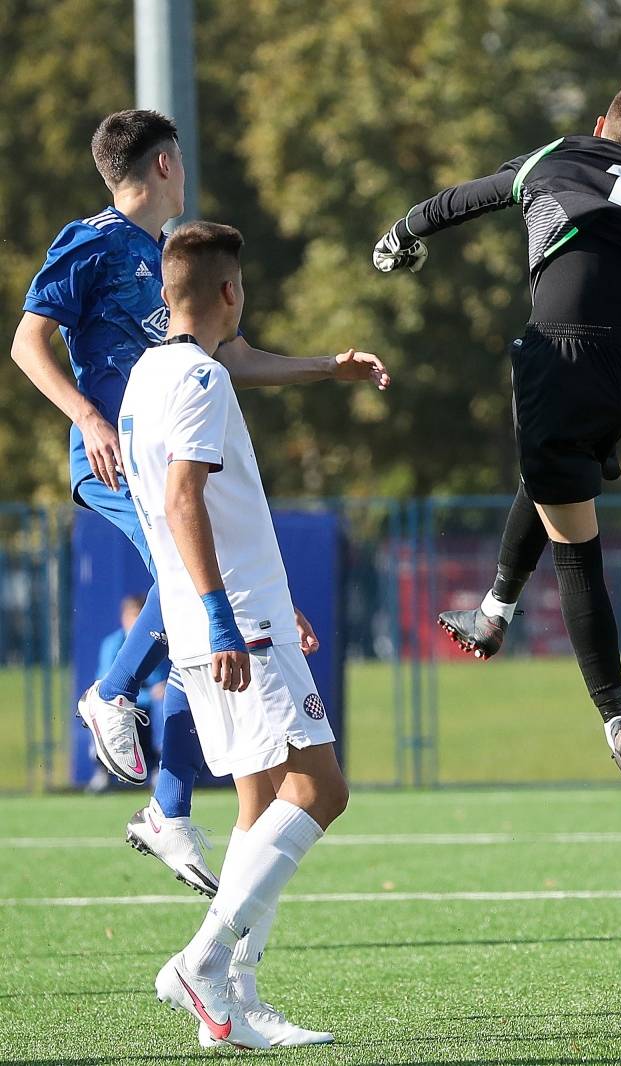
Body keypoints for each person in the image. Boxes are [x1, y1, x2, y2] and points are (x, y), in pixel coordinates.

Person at [10, 109, 388, 894]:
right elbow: (26, 342)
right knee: (188, 597)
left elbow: (235, 355)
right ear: (164, 166)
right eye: (182, 160)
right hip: (116, 459)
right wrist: (88, 418)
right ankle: (111, 695)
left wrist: (328, 368)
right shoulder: (91, 240)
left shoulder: (162, 260)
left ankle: (169, 807)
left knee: (194, 618)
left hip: (153, 455)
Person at [372, 80, 621, 812]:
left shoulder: (557, 154)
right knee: (554, 481)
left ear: (598, 126)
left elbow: (467, 198)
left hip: (555, 352)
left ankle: (615, 720)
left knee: (576, 547)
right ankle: (495, 612)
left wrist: (402, 234)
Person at [121, 221, 344, 1049]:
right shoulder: (205, 380)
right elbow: (183, 502)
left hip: (221, 617)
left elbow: (199, 511)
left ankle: (234, 1005)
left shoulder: (147, 374)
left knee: (259, 803)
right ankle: (201, 962)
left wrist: (261, 605)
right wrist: (232, 614)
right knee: (322, 790)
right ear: (229, 292)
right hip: (230, 623)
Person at [85, 594, 167, 793]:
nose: (135, 622)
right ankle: (102, 771)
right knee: (96, 707)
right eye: (131, 616)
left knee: (165, 702)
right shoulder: (112, 643)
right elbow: (109, 686)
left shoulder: (156, 643)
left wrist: (157, 692)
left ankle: (161, 768)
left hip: (145, 707)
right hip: (120, 704)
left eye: (140, 617)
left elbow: (158, 684)